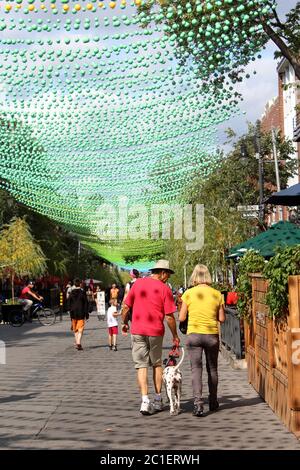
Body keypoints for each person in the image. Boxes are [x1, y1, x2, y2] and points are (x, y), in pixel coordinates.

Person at [121, 259, 180, 415]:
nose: (168, 278)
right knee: (157, 364)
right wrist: (175, 335)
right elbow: (169, 317)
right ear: (162, 273)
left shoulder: (137, 284)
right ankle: (158, 399)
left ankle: (145, 401)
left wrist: (125, 323)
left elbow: (126, 307)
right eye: (168, 274)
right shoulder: (164, 289)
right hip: (155, 331)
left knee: (141, 365)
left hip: (138, 330)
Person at [179, 264, 226, 417]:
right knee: (212, 369)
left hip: (194, 336)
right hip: (212, 335)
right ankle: (213, 401)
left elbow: (181, 317)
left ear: (194, 276)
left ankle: (198, 405)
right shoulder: (217, 294)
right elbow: (222, 318)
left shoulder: (188, 293)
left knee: (196, 369)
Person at [67, 278, 89, 351]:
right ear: (80, 284)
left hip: (73, 313)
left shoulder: (71, 293)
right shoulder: (82, 293)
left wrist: (69, 311)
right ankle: (78, 342)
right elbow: (86, 304)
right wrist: (87, 314)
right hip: (81, 312)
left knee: (75, 328)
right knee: (80, 328)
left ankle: (77, 342)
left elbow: (68, 303)